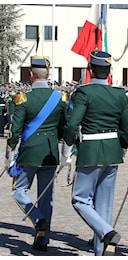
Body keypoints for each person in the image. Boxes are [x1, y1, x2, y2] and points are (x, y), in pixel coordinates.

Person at [63, 50, 128, 256]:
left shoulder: (84, 93)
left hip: (91, 150)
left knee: (80, 199)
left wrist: (70, 144)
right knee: (104, 203)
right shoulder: (119, 94)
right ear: (109, 71)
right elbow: (127, 128)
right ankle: (101, 250)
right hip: (112, 151)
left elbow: (72, 124)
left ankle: (106, 232)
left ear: (89, 70)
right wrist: (121, 146)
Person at [6, 56, 68, 251]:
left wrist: (9, 152)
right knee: (46, 196)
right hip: (50, 152)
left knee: (19, 191)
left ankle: (38, 219)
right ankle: (43, 240)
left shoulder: (23, 98)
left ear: (30, 75)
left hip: (29, 152)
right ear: (48, 75)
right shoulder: (60, 98)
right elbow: (63, 127)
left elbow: (15, 130)